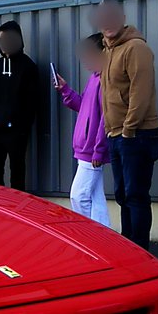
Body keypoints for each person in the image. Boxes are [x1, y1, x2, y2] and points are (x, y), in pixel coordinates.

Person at [93, 0, 158, 249]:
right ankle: (130, 248)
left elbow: (140, 93)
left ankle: (141, 251)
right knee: (123, 195)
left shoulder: (136, 48)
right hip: (117, 135)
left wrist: (129, 130)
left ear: (122, 19)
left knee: (136, 196)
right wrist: (113, 132)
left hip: (137, 134)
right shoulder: (109, 50)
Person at [53, 33, 110, 227]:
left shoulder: (106, 81)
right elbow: (84, 106)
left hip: (91, 150)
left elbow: (106, 118)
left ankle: (89, 234)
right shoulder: (94, 78)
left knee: (78, 196)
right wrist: (65, 90)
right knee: (95, 197)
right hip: (87, 148)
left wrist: (99, 150)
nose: (85, 59)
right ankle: (105, 238)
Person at [0, 20, 40, 189]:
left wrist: (21, 127)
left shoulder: (28, 66)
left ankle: (16, 209)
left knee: (17, 171)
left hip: (16, 131)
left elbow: (32, 102)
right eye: (1, 40)